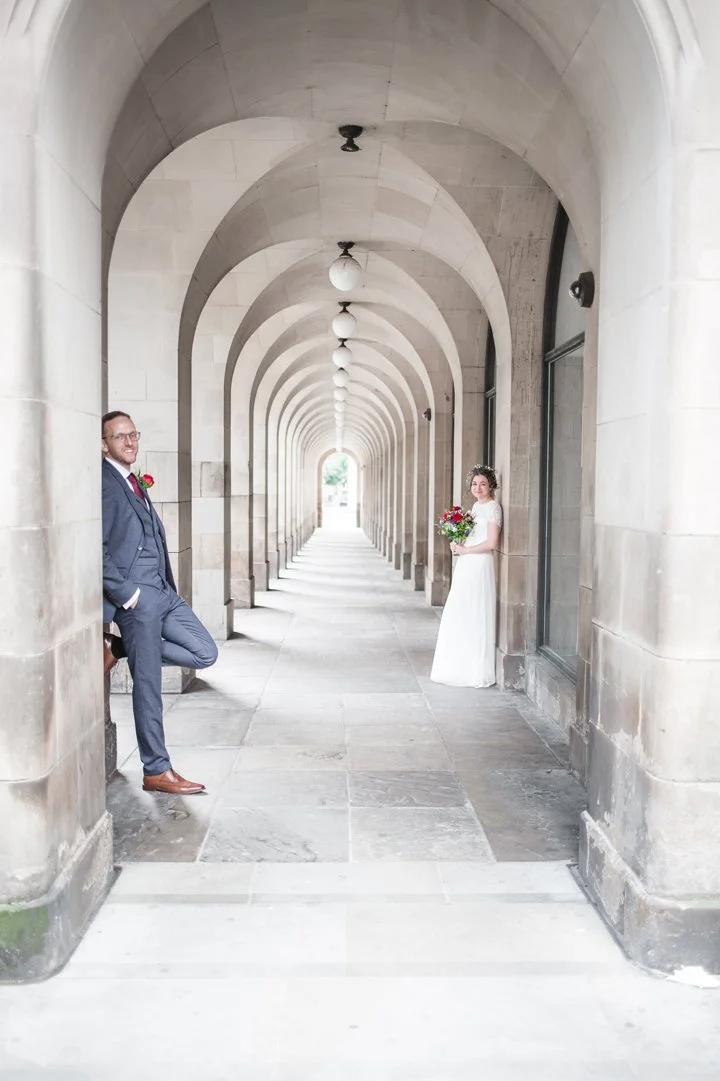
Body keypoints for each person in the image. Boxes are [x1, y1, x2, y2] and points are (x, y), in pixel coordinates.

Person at [101, 410, 218, 795]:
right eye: (120, 436)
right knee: (148, 685)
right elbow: (95, 548)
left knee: (205, 652)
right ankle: (156, 769)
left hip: (163, 592)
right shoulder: (103, 482)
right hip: (138, 600)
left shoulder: (133, 480)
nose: (130, 442)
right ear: (104, 444)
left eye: (133, 434)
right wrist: (128, 596)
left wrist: (164, 587)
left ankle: (118, 648)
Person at [430, 465, 502, 688]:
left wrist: (466, 550)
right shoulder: (475, 507)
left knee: (476, 608)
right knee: (462, 609)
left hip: (480, 563)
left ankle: (476, 669)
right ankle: (461, 663)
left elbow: (492, 543)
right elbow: (472, 535)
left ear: (491, 485)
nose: (478, 488)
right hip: (466, 563)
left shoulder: (493, 508)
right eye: (474, 484)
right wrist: (458, 542)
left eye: (483, 484)